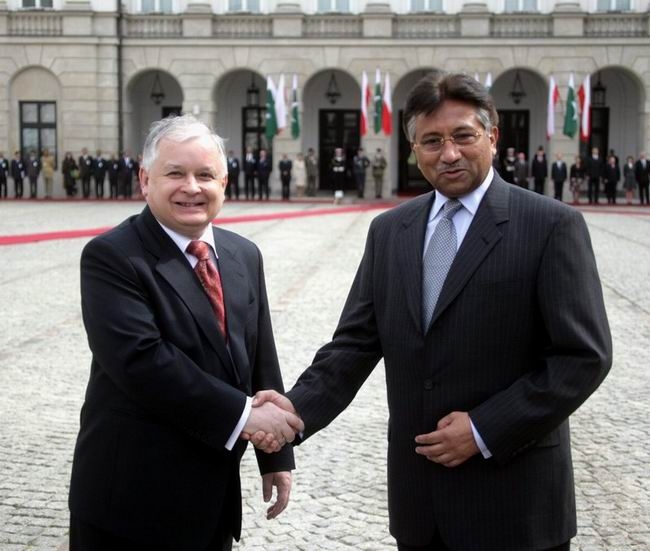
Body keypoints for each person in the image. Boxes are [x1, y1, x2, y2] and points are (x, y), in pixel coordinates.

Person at [250, 72, 612, 551]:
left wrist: (484, 429)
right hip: (420, 504)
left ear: (492, 137)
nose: (449, 153)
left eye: (463, 136)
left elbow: (583, 356)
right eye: (432, 141)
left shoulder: (550, 225)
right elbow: (356, 343)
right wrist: (296, 409)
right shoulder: (390, 231)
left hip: (515, 500)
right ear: (414, 149)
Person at [68, 114, 302, 551]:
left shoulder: (243, 253)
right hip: (130, 502)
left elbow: (260, 358)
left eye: (205, 175)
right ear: (145, 180)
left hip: (213, 498)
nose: (191, 187)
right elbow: (142, 361)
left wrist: (275, 455)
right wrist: (246, 417)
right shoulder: (112, 256)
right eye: (175, 173)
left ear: (224, 183)